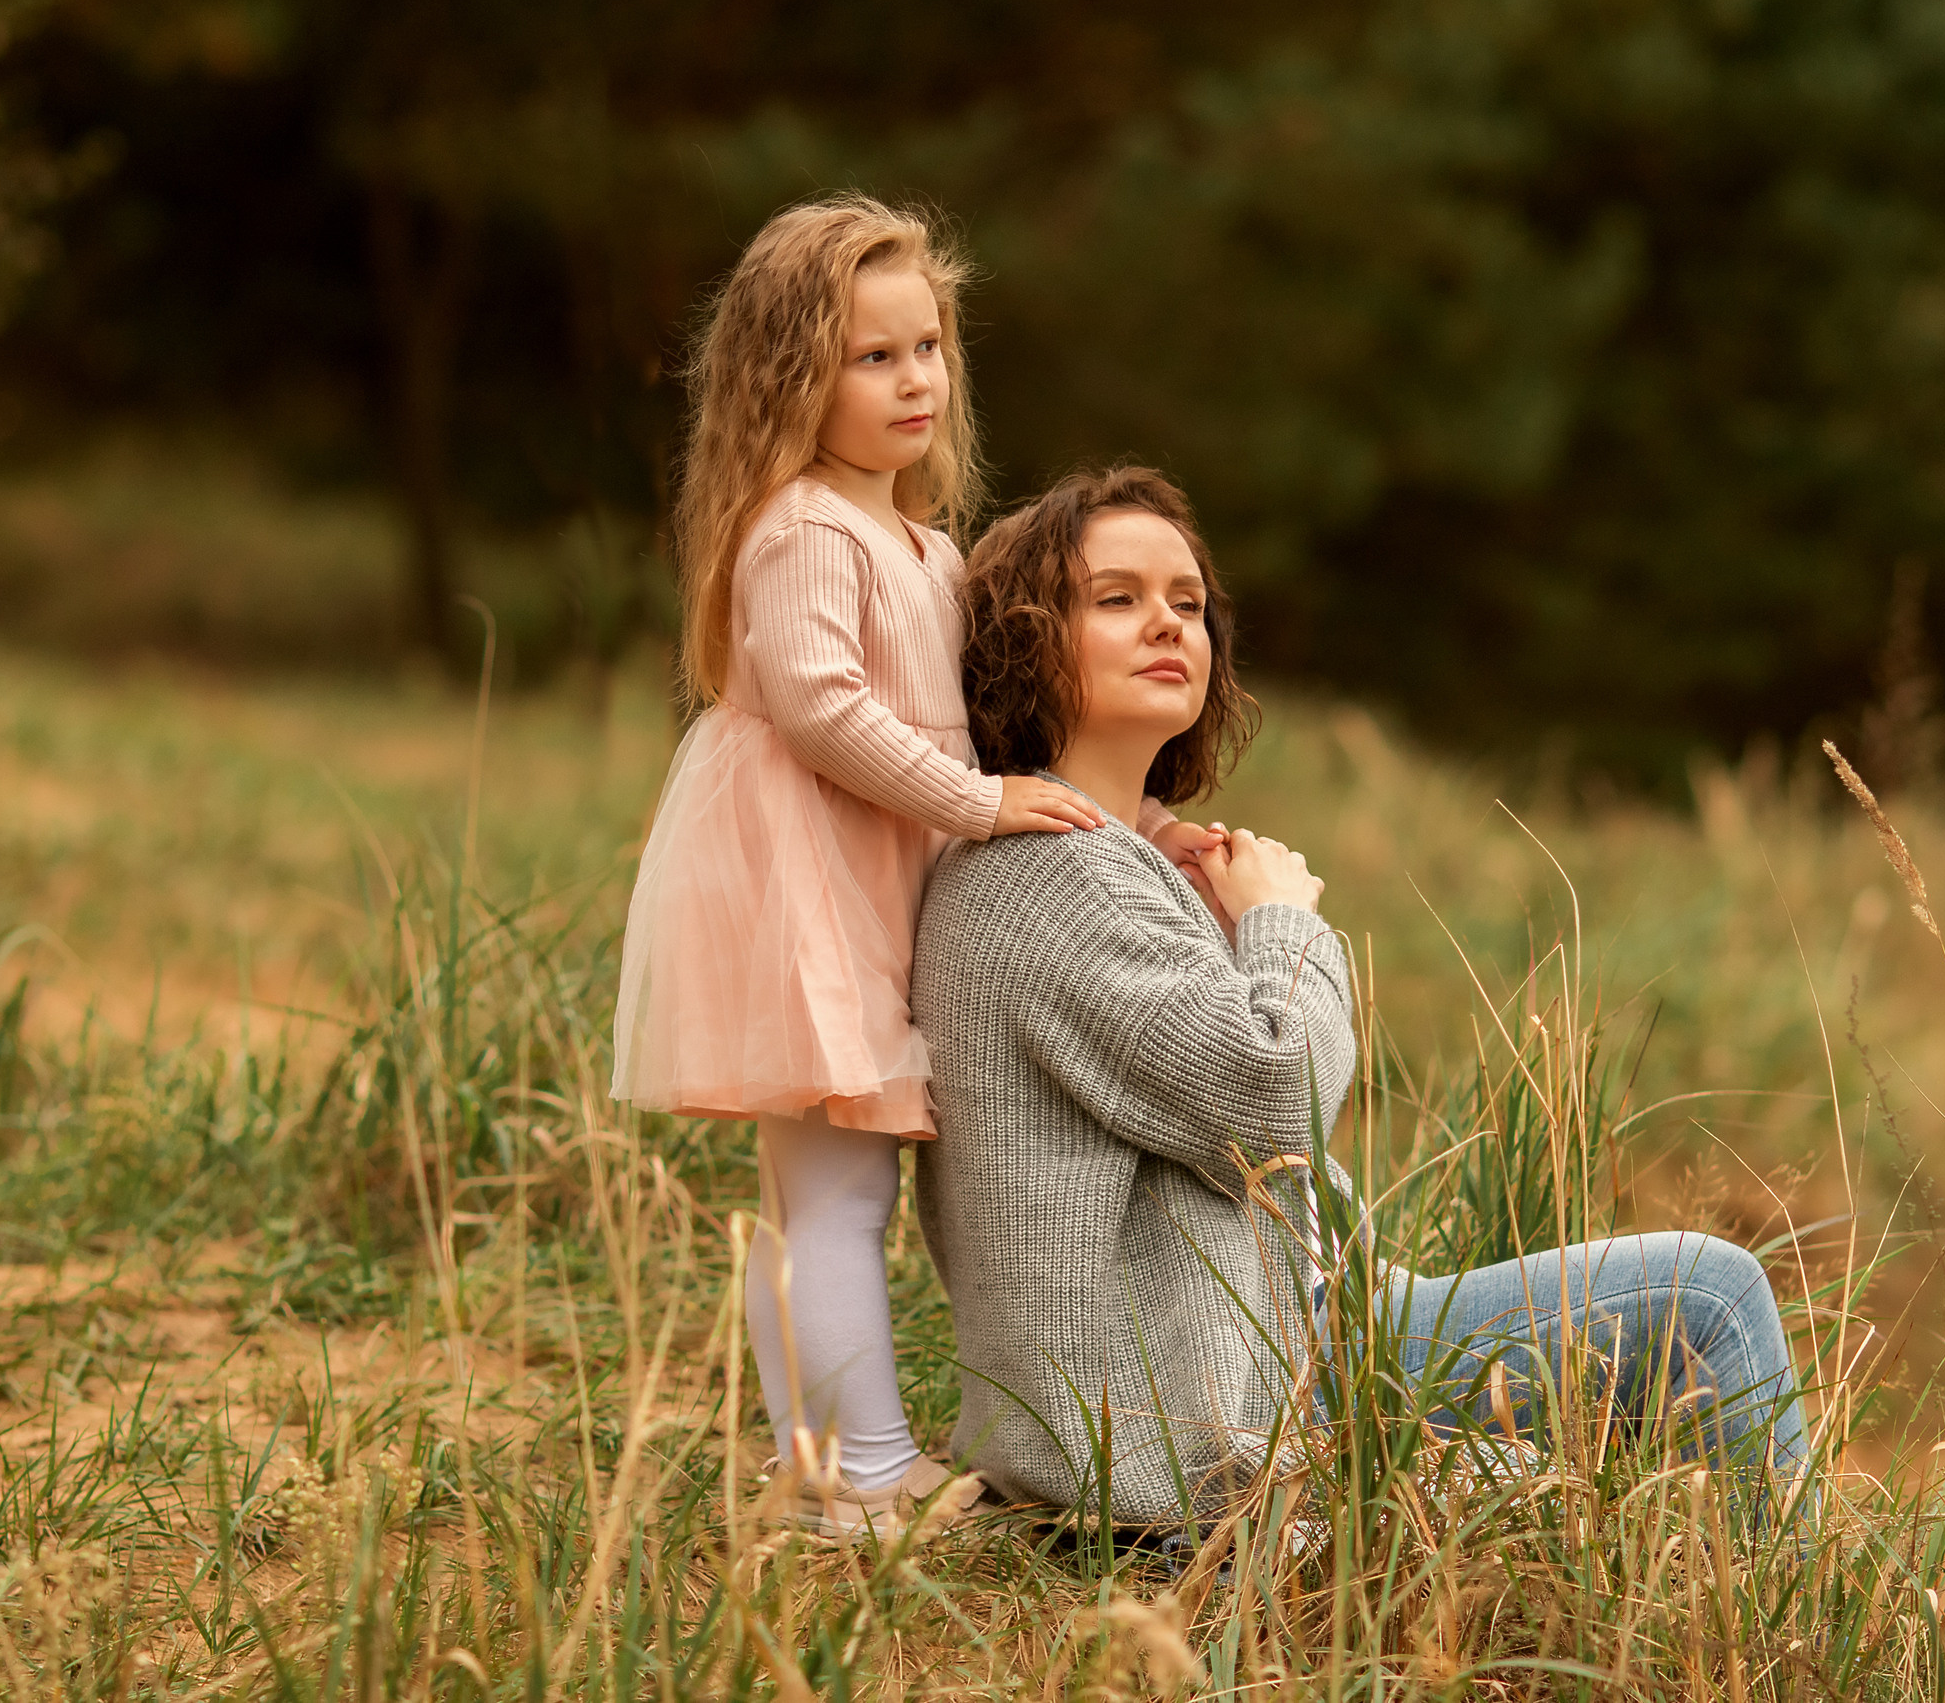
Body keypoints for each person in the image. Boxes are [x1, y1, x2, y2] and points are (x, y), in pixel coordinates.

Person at [911, 465, 1815, 1529]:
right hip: (1196, 1417)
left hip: (1305, 1336)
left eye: (1189, 603)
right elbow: (1273, 1104)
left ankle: (1715, 1611)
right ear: (1026, 641)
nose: (1167, 622)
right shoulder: (1047, 875)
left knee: (1626, 1415)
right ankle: (1788, 1645)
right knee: (1707, 1301)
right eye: (1117, 599)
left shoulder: (1102, 856)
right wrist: (1278, 921)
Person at [609, 199, 1216, 1534]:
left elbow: (997, 727)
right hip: (802, 885)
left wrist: (1138, 824)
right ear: (790, 378)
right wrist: (974, 802)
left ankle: (827, 1461)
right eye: (869, 357)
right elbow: (827, 711)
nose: (913, 381)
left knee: (827, 1190)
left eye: (926, 347)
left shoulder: (927, 547)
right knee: (832, 1186)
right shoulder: (802, 531)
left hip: (873, 888)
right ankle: (854, 1474)